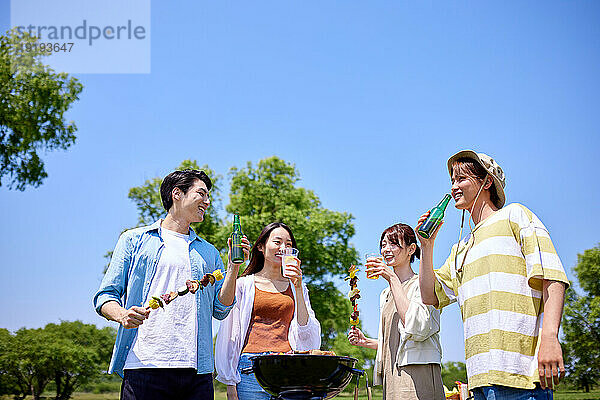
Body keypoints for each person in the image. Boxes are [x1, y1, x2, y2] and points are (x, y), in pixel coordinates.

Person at [417, 150, 570, 400]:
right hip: (479, 380)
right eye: (452, 181)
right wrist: (426, 246)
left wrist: (550, 338)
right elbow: (428, 295)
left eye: (461, 179)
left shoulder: (515, 215)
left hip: (521, 377)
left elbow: (552, 277)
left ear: (487, 182)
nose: (454, 187)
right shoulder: (461, 247)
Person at [93, 169, 250, 400]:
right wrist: (122, 315)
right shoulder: (134, 240)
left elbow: (221, 309)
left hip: (197, 371)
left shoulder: (208, 252)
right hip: (144, 365)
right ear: (177, 193)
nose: (207, 202)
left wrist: (233, 267)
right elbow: (105, 296)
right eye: (201, 194)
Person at [215, 222, 321, 400]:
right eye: (277, 242)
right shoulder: (243, 285)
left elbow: (306, 332)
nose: (283, 248)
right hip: (250, 370)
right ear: (261, 247)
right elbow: (230, 332)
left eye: (289, 244)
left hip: (288, 369)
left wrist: (299, 287)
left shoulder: (297, 286)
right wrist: (230, 381)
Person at [348, 223, 444, 400]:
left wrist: (391, 277)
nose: (386, 249)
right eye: (383, 244)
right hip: (392, 374)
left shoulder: (423, 284)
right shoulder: (385, 294)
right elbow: (396, 342)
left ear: (411, 249)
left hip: (417, 373)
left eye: (393, 243)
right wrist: (367, 342)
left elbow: (418, 328)